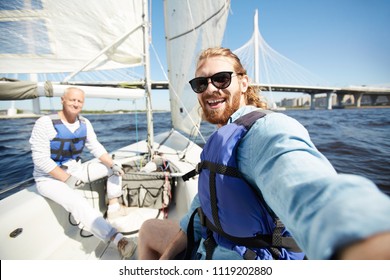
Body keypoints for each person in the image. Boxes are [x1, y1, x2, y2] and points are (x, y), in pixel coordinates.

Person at [138, 47, 390, 260]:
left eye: (222, 79)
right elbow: (197, 216)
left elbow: (312, 193)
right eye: (201, 83)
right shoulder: (221, 141)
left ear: (244, 82)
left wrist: (366, 240)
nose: (210, 89)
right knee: (149, 228)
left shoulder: (265, 130)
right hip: (209, 247)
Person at [29, 87, 136, 259]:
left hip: (75, 170)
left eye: (79, 101)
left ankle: (114, 206)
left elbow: (95, 147)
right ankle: (117, 239)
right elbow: (41, 160)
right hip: (48, 179)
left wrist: (113, 165)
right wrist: (67, 179)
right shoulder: (45, 123)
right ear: (63, 100)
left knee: (112, 166)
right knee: (77, 201)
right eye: (72, 100)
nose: (75, 103)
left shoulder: (84, 123)